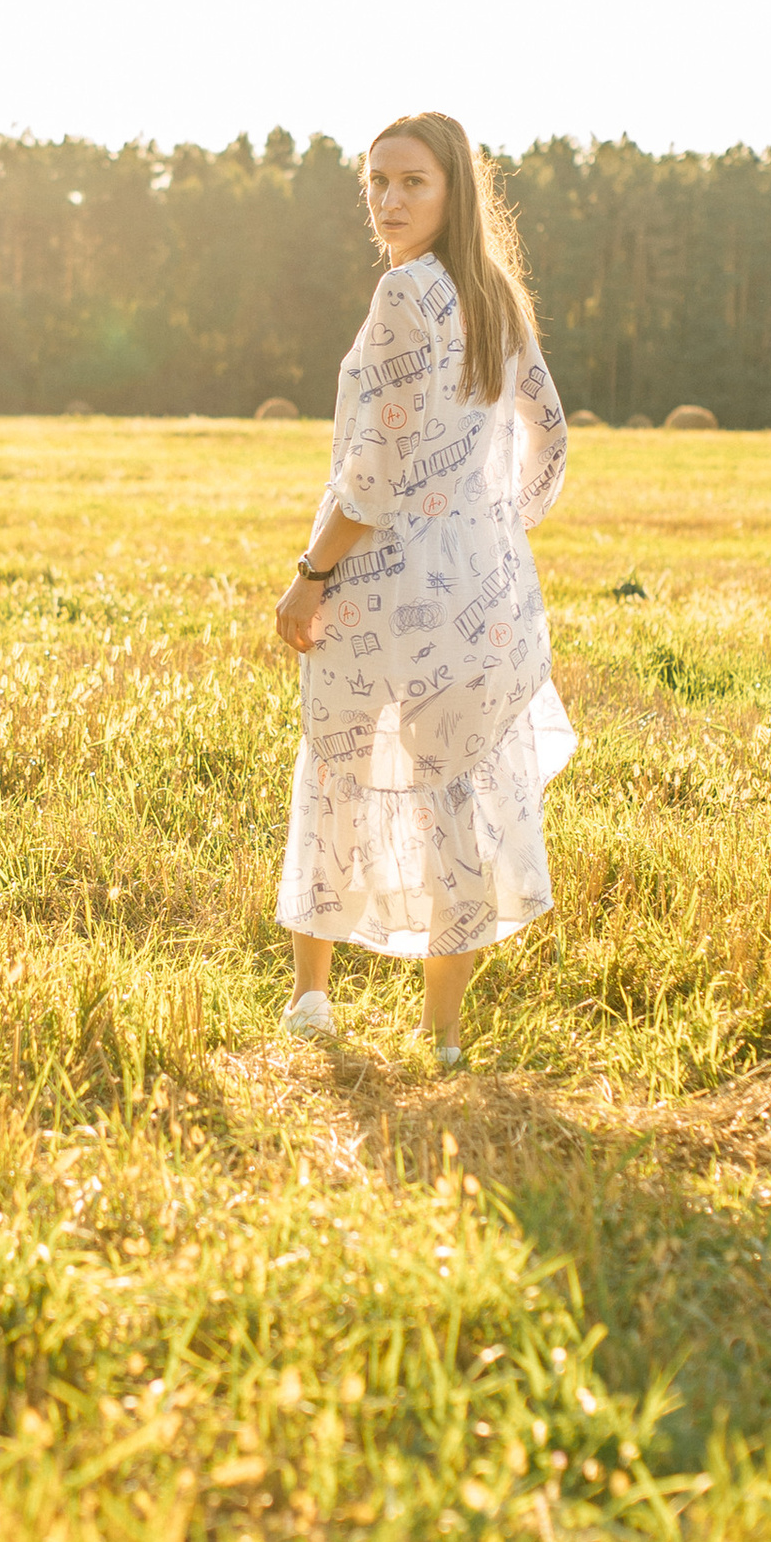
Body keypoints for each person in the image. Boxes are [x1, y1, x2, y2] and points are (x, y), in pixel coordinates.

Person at [271, 112, 573, 1063]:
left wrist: (309, 576)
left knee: (338, 774)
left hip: (382, 590)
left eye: (412, 184)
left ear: (455, 193)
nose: (389, 202)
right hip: (488, 597)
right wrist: (493, 526)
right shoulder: (498, 301)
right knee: (459, 794)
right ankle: (441, 1039)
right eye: (377, 183)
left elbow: (373, 472)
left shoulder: (408, 293)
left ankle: (312, 1004)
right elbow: (551, 437)